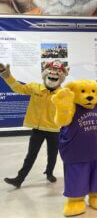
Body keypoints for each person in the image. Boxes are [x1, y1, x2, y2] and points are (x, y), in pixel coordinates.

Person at [0, 60, 69, 188]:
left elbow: (70, 109)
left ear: (62, 77)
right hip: (38, 129)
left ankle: (49, 173)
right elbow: (18, 88)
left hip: (54, 129)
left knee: (52, 154)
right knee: (31, 155)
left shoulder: (63, 93)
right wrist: (6, 75)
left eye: (58, 72)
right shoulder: (35, 87)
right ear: (44, 73)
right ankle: (19, 179)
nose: (54, 74)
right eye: (51, 71)